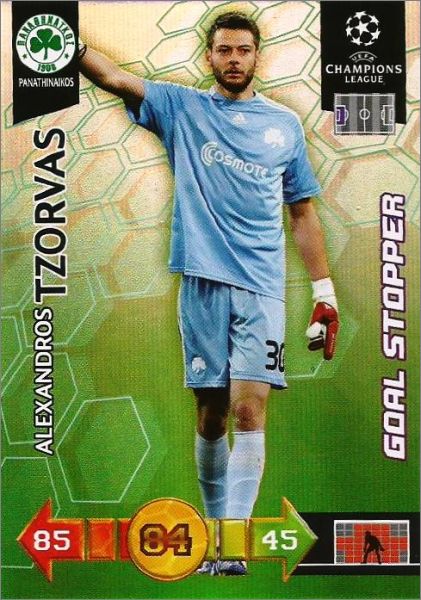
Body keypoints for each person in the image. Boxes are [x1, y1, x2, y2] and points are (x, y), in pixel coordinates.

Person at [78, 11, 339, 576]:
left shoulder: (283, 126)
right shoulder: (182, 108)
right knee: (211, 414)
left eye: (244, 50)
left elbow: (302, 212)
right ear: (210, 57)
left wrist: (326, 293)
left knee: (250, 408)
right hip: (200, 280)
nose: (234, 59)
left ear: (257, 55)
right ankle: (214, 540)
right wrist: (66, 46)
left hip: (261, 287)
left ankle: (230, 544)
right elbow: (115, 78)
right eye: (224, 50)